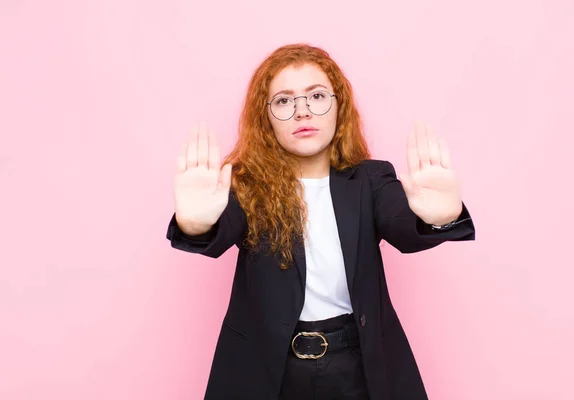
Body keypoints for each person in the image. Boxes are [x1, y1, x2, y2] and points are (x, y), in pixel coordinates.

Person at [166, 43, 475, 400]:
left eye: (316, 96)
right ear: (265, 118)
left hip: (357, 365)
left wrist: (441, 218)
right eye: (284, 101)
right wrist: (195, 224)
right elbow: (217, 234)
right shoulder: (246, 185)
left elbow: (403, 226)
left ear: (338, 105)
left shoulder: (371, 180)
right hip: (269, 369)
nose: (302, 112)